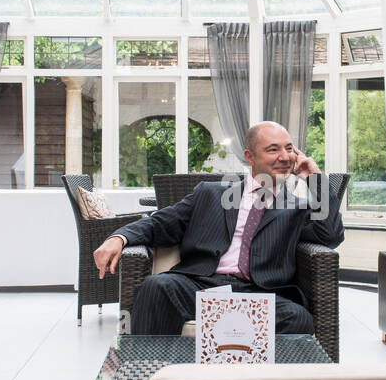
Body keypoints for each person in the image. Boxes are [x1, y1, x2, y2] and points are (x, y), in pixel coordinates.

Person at [92, 121, 345, 335]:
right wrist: (120, 237)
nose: (285, 157)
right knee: (156, 288)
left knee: (299, 319)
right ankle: (144, 374)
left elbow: (330, 235)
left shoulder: (296, 207)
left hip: (260, 292)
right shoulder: (211, 193)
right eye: (273, 149)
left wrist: (315, 178)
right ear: (250, 157)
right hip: (202, 284)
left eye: (289, 149)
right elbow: (161, 222)